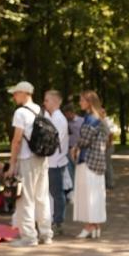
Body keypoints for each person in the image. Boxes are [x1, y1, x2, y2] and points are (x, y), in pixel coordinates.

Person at [5, 81, 53, 247]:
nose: (14, 96)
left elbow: (17, 140)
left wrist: (12, 164)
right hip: (42, 158)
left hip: (26, 158)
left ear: (25, 93)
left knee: (25, 198)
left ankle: (28, 236)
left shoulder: (20, 113)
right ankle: (46, 234)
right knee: (42, 197)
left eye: (16, 93)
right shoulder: (41, 110)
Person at [72, 90, 109, 239]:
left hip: (88, 160)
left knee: (87, 195)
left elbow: (85, 140)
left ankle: (89, 226)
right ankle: (96, 225)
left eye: (82, 100)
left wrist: (75, 146)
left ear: (89, 102)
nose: (80, 103)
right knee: (96, 194)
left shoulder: (91, 119)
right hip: (98, 161)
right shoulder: (99, 118)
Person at [44, 90, 70, 235]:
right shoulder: (51, 116)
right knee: (51, 192)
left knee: (56, 192)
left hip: (55, 162)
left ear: (54, 101)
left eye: (47, 100)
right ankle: (53, 218)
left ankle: (58, 220)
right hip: (51, 161)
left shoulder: (59, 119)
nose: (44, 103)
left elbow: (53, 140)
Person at [63, 102, 84, 199]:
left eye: (66, 114)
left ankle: (81, 191)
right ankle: (74, 191)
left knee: (79, 171)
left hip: (78, 150)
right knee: (70, 171)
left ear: (71, 112)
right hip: (68, 150)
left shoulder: (81, 121)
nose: (65, 116)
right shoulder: (65, 122)